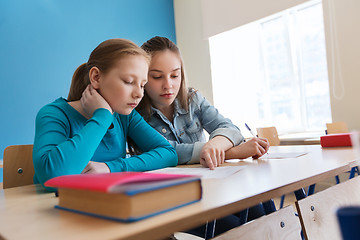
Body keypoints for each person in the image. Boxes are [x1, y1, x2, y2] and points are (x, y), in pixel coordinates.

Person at [136, 36, 271, 237]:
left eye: (175, 75)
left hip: (210, 189)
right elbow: (166, 152)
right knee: (237, 227)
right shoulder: (135, 114)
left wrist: (215, 144)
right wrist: (230, 152)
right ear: (143, 78)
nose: (168, 85)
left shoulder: (192, 99)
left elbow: (229, 127)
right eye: (157, 77)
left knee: (262, 209)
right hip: (173, 201)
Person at [33, 38, 178, 190]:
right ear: (96, 77)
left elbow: (168, 153)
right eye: (129, 81)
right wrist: (101, 117)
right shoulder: (54, 114)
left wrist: (110, 168)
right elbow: (52, 178)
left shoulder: (125, 115)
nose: (139, 94)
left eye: (142, 85)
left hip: (108, 204)